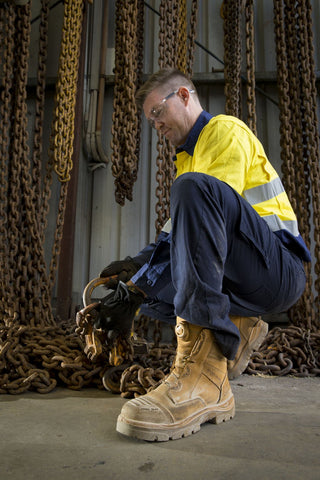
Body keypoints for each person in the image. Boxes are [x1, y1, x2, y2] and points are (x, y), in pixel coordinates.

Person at [97, 68, 310, 442]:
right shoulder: (188, 159)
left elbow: (207, 217)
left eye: (157, 113)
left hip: (278, 271)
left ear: (182, 95)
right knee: (151, 295)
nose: (156, 125)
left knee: (192, 190)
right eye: (150, 121)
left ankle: (203, 380)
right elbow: (182, 241)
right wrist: (134, 276)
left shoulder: (224, 132)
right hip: (243, 277)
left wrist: (142, 279)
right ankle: (238, 327)